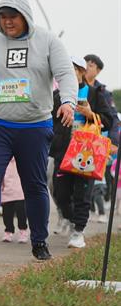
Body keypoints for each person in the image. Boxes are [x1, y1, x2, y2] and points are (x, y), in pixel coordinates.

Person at [0, 0, 78, 261]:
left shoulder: (48, 40)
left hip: (34, 125)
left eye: (12, 16)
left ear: (25, 15)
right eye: (2, 17)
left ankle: (39, 241)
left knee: (34, 185)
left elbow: (66, 74)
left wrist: (68, 102)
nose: (7, 22)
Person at [50, 57, 113, 249]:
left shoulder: (95, 94)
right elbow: (48, 119)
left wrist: (89, 114)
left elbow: (109, 120)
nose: (67, 75)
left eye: (72, 70)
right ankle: (69, 219)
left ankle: (78, 231)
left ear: (81, 72)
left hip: (87, 153)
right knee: (60, 193)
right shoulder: (57, 95)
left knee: (82, 194)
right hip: (63, 151)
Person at [84, 54, 119, 204]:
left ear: (97, 70)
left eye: (90, 65)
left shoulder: (103, 92)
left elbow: (113, 120)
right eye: (84, 64)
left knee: (91, 183)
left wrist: (113, 142)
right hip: (72, 140)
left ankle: (80, 220)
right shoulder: (73, 87)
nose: (86, 67)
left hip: (95, 143)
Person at [1, 158, 29, 243]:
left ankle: (23, 231)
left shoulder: (23, 159)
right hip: (6, 191)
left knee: (21, 212)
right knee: (7, 213)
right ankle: (8, 231)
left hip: (20, 191)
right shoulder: (3, 160)